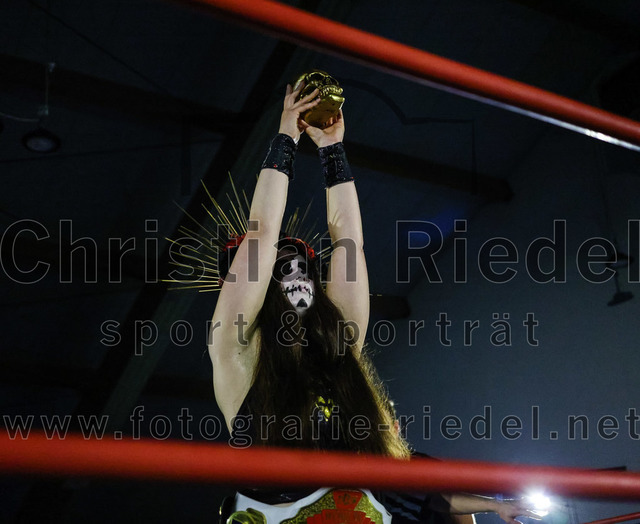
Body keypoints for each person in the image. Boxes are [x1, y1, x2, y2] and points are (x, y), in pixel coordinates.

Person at [208, 82, 539, 524]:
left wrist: (332, 150)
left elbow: (348, 240)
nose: (299, 278)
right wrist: (286, 136)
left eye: (304, 268)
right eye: (281, 270)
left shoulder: (339, 347)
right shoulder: (239, 355)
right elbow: (261, 235)